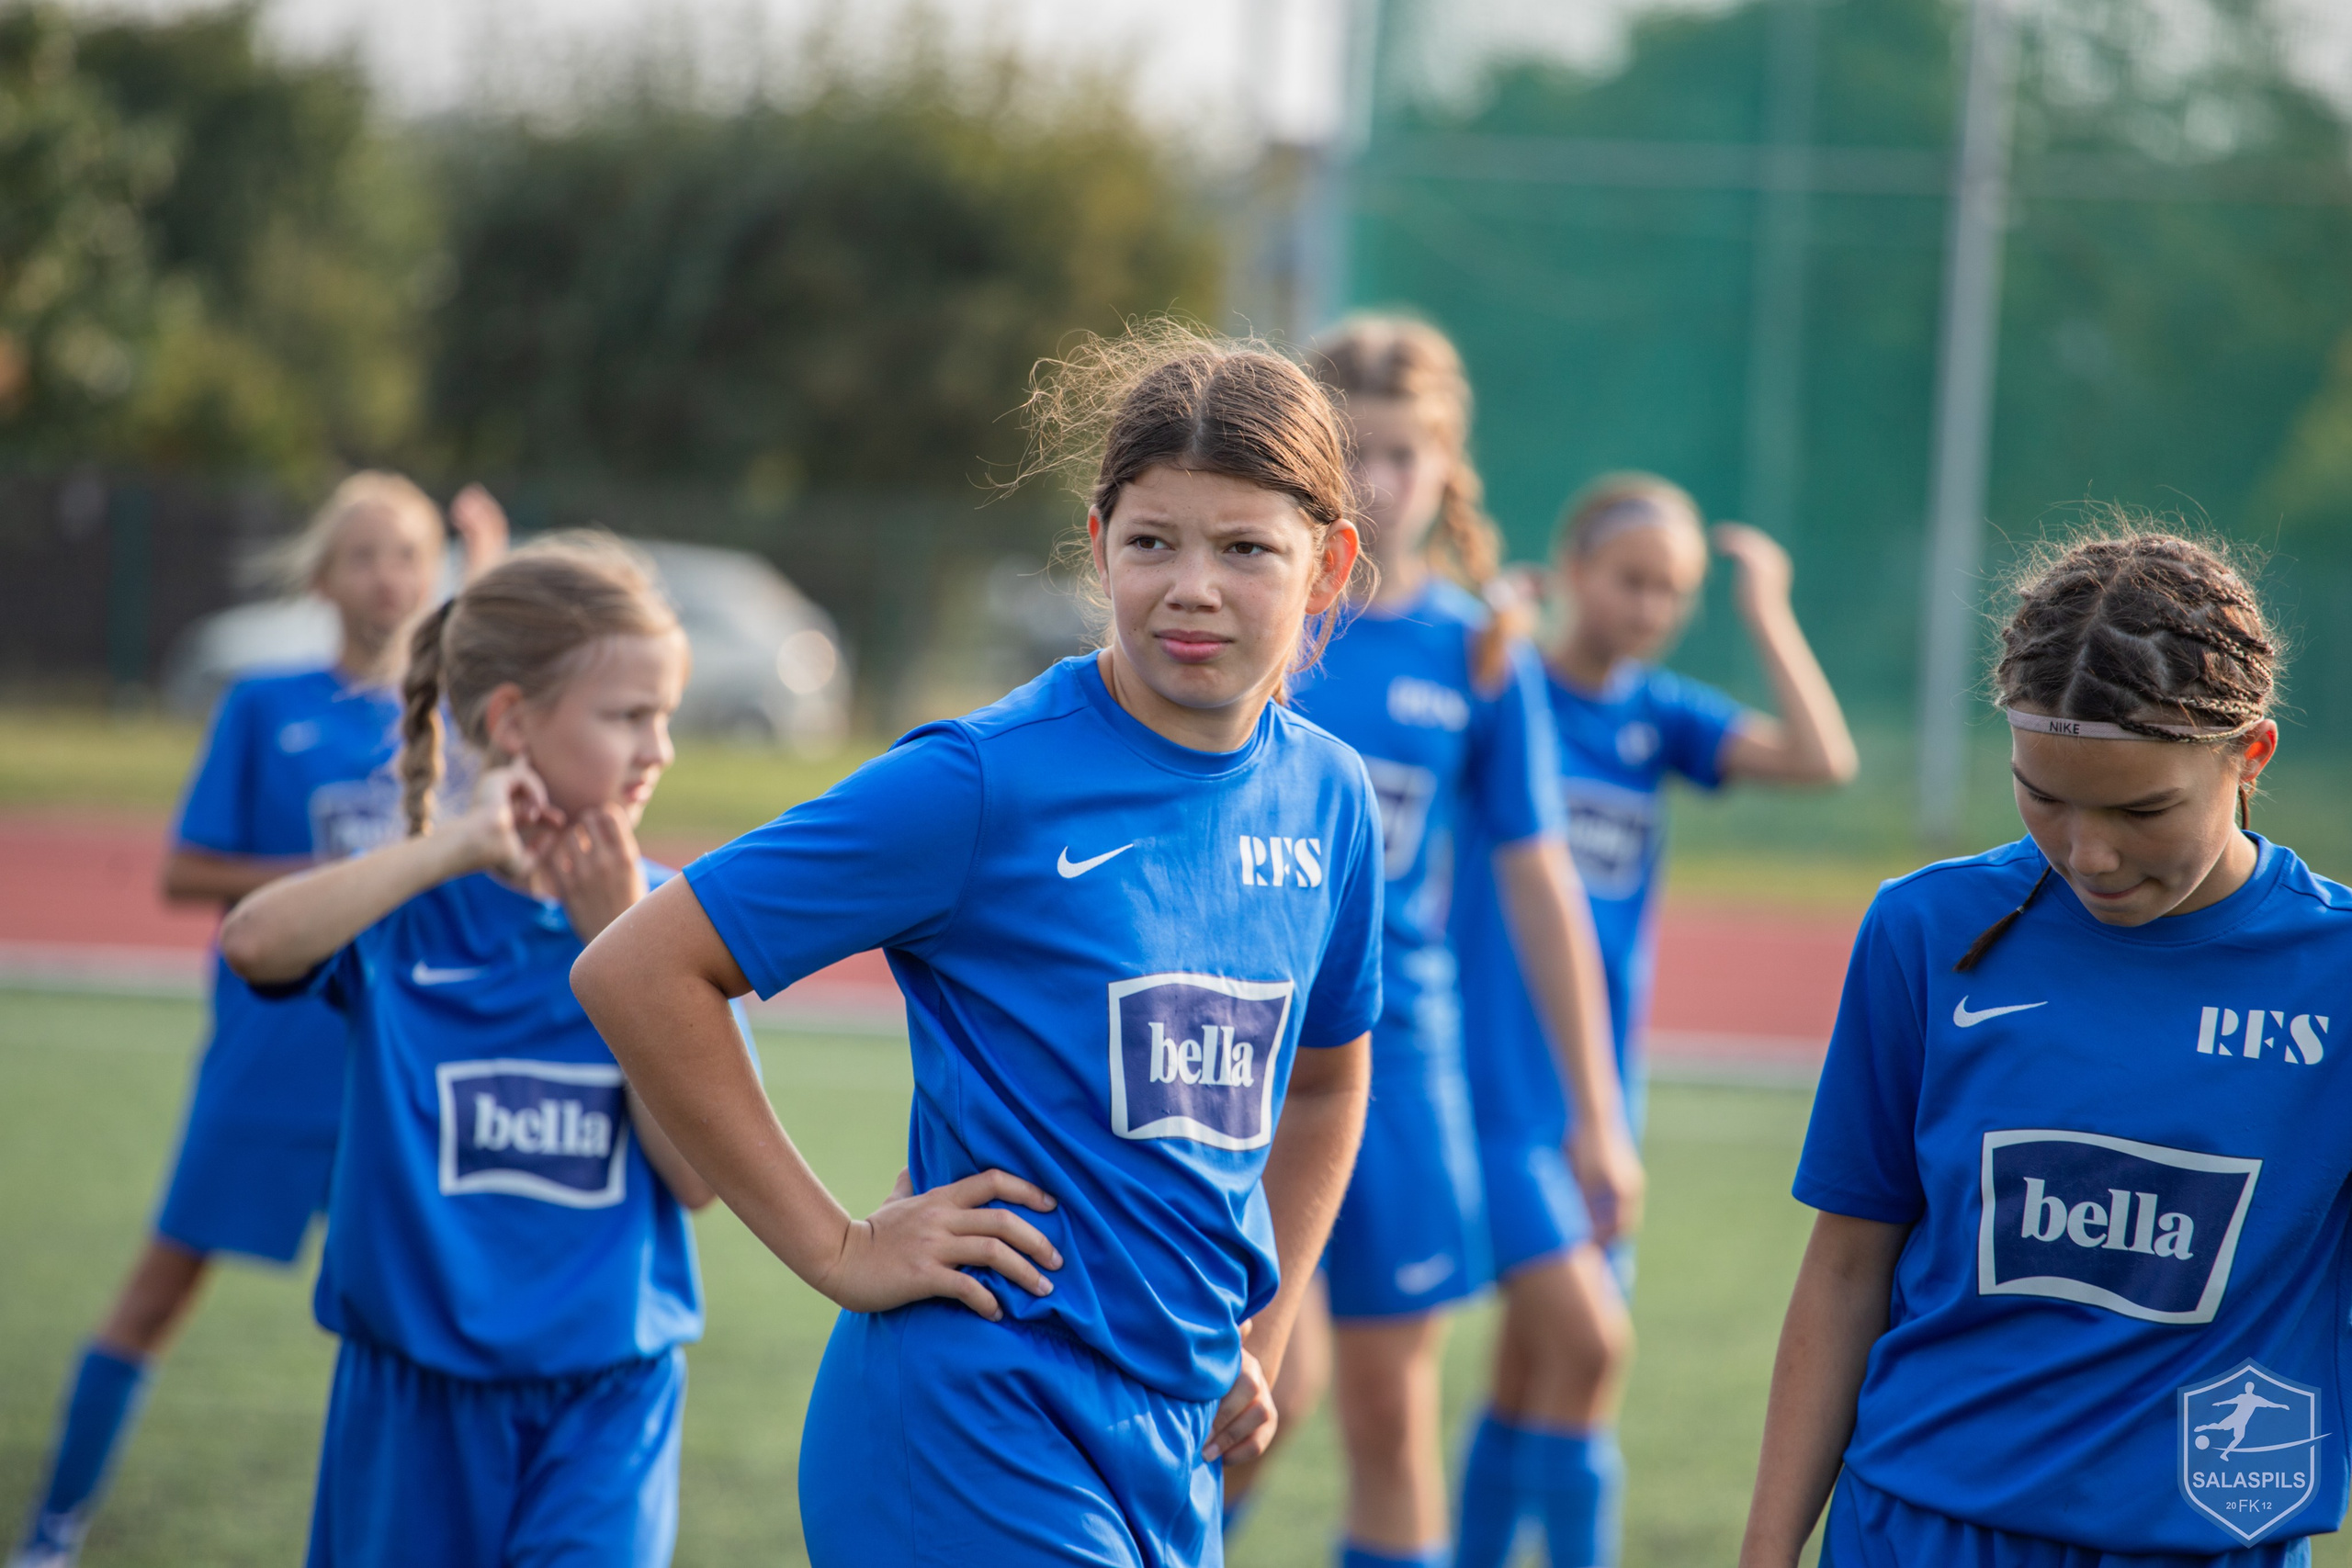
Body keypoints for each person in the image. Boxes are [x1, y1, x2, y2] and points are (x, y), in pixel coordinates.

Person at [571, 323, 1384, 1568]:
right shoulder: (984, 779)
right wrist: (840, 1246)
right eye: (1152, 541)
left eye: (1245, 549)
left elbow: (1326, 1081)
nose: (1193, 586)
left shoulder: (1329, 798)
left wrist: (1256, 1333)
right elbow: (640, 967)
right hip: (973, 1417)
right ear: (1098, 541)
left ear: (1328, 567)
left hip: (1170, 1441)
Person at [1740, 527, 2346, 1567]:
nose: (2087, 852)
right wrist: (1765, 1551)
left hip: (2205, 1541)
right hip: (1915, 1531)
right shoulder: (1927, 930)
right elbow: (1845, 1268)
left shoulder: (2333, 975)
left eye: (2142, 808)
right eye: (2043, 797)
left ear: (2250, 754)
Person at [8, 475, 506, 1568]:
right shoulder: (265, 706)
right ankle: (51, 1530)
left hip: (400, 1069)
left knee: (418, 1317)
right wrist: (335, 884)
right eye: (364, 555)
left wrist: (490, 569)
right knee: (157, 1294)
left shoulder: (458, 721)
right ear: (322, 577)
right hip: (271, 1054)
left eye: (409, 555)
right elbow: (185, 872)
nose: (389, 577)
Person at [212, 535, 721, 1568]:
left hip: (608, 1390)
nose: (658, 748)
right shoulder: (408, 911)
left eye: (665, 716)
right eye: (629, 716)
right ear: (513, 721)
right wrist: (449, 844)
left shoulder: (671, 920)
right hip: (413, 1389)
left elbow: (699, 1175)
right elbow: (253, 942)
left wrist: (619, 947)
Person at [1222, 314, 1638, 1568]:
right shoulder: (1252, 617)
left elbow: (1542, 884)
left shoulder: (1479, 652)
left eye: (1407, 453)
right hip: (1232, 1058)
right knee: (1243, 1398)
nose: (1382, 479)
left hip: (1397, 1065)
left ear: (1448, 466)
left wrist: (1597, 1112)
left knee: (1392, 1411)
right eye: (1355, 450)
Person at [1450, 473, 1855, 1568]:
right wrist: (1493, 627)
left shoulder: (1654, 716)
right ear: (1572, 569)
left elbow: (1821, 759)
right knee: (1591, 1348)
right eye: (1628, 579)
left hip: (1595, 1093)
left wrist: (1765, 610)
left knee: (1535, 1368)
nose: (1647, 607)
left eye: (1670, 590)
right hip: (1491, 1083)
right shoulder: (1507, 690)